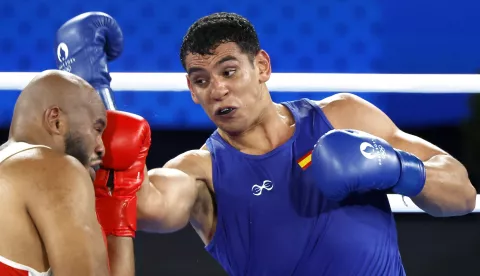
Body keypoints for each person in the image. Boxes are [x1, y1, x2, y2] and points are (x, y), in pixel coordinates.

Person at [59, 11, 476, 276]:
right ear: (191, 89)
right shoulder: (201, 170)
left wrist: (397, 168)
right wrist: (90, 93)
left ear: (262, 66)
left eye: (229, 71)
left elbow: (461, 193)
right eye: (202, 81)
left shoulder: (343, 116)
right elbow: (142, 203)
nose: (217, 90)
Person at [0, 70, 110, 275]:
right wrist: (120, 211)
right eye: (97, 129)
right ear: (56, 120)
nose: (101, 147)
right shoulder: (57, 168)